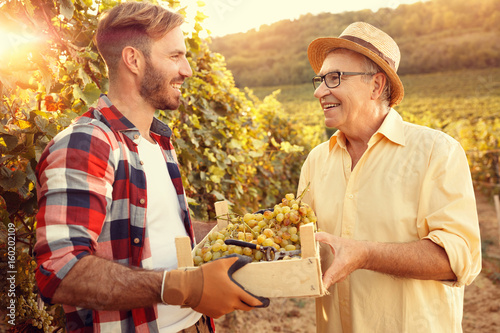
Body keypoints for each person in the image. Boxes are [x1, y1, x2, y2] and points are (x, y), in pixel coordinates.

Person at [34, 2, 268, 332]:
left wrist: (241, 234)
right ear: (134, 60)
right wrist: (185, 288)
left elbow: (160, 232)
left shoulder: (157, 141)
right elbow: (60, 272)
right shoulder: (87, 143)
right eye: (175, 56)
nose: (187, 70)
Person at [298, 22, 481, 332]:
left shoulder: (436, 151)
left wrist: (366, 254)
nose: (319, 91)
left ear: (376, 86)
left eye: (334, 78)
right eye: (320, 79)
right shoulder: (316, 161)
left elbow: (458, 259)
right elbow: (304, 248)